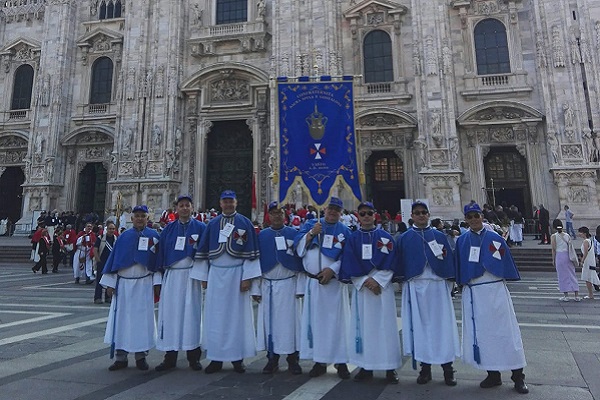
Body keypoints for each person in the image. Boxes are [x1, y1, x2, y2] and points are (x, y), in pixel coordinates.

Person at [455, 202, 529, 394]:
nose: (473, 220)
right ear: (466, 220)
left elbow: (504, 261)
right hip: (475, 294)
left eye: (476, 216)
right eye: (469, 217)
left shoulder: (495, 238)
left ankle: (518, 376)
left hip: (496, 291)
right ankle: (493, 374)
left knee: (507, 334)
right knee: (484, 336)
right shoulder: (462, 241)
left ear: (482, 216)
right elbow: (459, 266)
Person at [190, 190, 260, 374]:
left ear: (236, 202)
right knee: (215, 317)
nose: (228, 204)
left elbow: (251, 255)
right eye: (225, 201)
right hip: (216, 276)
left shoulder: (245, 223)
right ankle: (216, 358)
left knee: (237, 318)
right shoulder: (212, 225)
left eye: (231, 201)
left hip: (237, 276)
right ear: (220, 203)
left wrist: (247, 278)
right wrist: (204, 278)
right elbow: (203, 254)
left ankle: (237, 358)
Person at [397, 201, 459, 386]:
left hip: (438, 286)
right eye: (417, 213)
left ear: (429, 214)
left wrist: (449, 282)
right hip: (415, 286)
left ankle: (448, 369)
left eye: (424, 212)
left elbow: (449, 259)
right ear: (412, 216)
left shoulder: (440, 236)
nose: (421, 215)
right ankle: (425, 369)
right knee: (421, 329)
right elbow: (400, 263)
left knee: (443, 328)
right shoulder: (404, 238)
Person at [340, 201, 401, 384]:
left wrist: (378, 281)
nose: (366, 216)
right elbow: (349, 261)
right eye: (363, 213)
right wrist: (364, 281)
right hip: (364, 289)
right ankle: (366, 366)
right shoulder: (352, 238)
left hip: (381, 289)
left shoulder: (385, 237)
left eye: (369, 213)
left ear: (375, 215)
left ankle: (390, 367)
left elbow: (392, 260)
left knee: (387, 328)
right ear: (358, 216)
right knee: (364, 328)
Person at [293, 197, 352, 379]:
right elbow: (299, 248)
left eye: (337, 209)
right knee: (315, 323)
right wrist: (311, 233)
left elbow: (348, 257)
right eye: (330, 209)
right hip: (314, 284)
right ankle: (319, 361)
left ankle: (341, 362)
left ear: (341, 212)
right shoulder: (312, 224)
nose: (333, 212)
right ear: (324, 209)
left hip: (333, 284)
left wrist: (332, 270)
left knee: (338, 324)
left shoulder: (345, 231)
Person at [100, 205, 161, 372]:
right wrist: (110, 284)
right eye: (137, 215)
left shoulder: (154, 236)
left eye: (143, 215)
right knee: (122, 321)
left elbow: (156, 264)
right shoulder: (124, 237)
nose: (140, 218)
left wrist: (157, 284)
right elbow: (114, 261)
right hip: (124, 286)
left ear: (147, 218)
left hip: (144, 285)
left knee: (142, 321)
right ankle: (121, 357)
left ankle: (141, 356)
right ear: (132, 218)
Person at [154, 195, 206, 372]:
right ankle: (170, 356)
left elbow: (206, 252)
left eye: (187, 206)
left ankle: (194, 357)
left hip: (192, 276)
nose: (184, 208)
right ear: (176, 208)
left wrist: (204, 276)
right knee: (170, 316)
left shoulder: (201, 227)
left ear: (192, 208)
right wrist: (159, 278)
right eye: (181, 205)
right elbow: (160, 253)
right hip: (173, 276)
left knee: (192, 315)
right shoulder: (168, 229)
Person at [254, 201, 305, 375]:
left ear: (285, 215)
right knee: (270, 324)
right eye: (273, 213)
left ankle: (293, 358)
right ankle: (272, 358)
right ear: (268, 215)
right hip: (268, 284)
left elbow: (300, 262)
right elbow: (255, 263)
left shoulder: (294, 233)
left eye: (280, 213)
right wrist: (255, 289)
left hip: (289, 284)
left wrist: (300, 288)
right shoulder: (262, 236)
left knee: (292, 324)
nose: (277, 216)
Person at [551, 219, 580, 302]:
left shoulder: (554, 236)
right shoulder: (567, 235)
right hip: (568, 256)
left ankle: (566, 295)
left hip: (559, 256)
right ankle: (576, 295)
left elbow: (553, 249)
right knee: (572, 274)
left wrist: (553, 259)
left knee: (562, 276)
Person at [93, 221, 117, 304]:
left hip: (111, 262)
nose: (111, 230)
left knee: (110, 280)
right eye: (110, 229)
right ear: (107, 229)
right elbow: (95, 249)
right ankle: (98, 297)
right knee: (100, 280)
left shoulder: (116, 238)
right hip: (102, 261)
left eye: (113, 229)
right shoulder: (101, 238)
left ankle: (108, 297)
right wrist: (97, 259)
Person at [577, 227, 599, 300]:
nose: (579, 234)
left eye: (580, 232)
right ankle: (590, 294)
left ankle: (590, 294)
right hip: (590, 261)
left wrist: (582, 260)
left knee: (588, 278)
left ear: (584, 233)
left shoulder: (586, 241)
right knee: (591, 277)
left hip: (587, 262)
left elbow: (585, 252)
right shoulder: (590, 240)